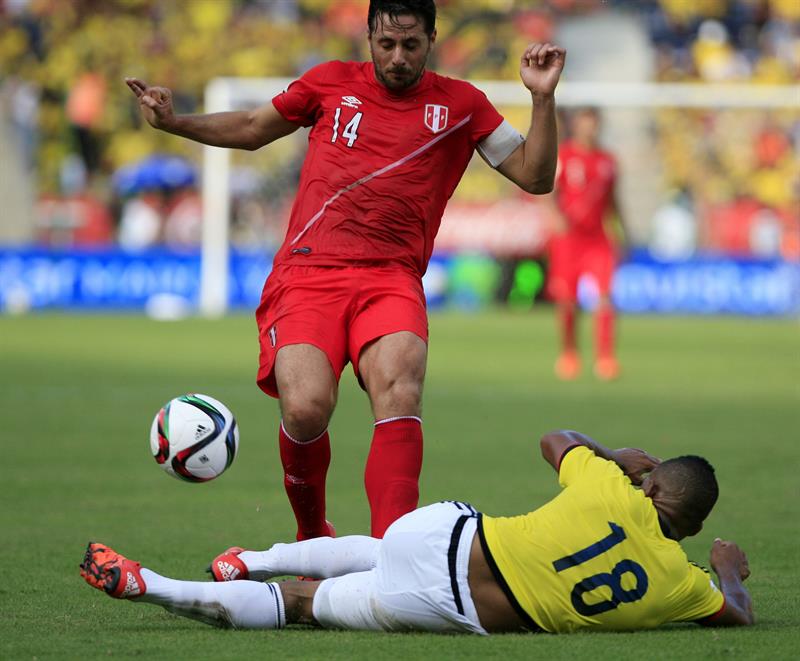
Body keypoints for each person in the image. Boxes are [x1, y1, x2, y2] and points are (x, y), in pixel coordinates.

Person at [125, 0, 566, 538]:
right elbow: (250, 126)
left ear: (432, 38)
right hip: (309, 273)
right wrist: (174, 122)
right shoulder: (329, 83)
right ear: (368, 38)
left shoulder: (463, 105)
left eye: (411, 45)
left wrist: (542, 99)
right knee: (306, 408)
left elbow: (535, 177)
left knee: (400, 389)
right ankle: (313, 536)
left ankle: (393, 554)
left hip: (391, 277)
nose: (399, 57)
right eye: (387, 45)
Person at [80, 429, 754, 634]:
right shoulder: (680, 585)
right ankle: (154, 586)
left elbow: (554, 439)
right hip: (450, 609)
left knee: (377, 548)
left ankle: (254, 555)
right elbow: (736, 615)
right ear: (691, 527)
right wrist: (727, 567)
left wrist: (616, 456)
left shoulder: (609, 483)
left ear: (653, 484)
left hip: (443, 535)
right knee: (299, 607)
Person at [542, 107, 627, 381]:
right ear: (577, 126)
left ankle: (606, 358)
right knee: (567, 301)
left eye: (593, 123)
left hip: (598, 238)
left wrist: (622, 232)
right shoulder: (564, 156)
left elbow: (615, 201)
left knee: (604, 298)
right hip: (569, 239)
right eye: (584, 123)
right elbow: (546, 190)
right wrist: (555, 217)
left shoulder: (608, 161)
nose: (589, 129)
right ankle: (569, 353)